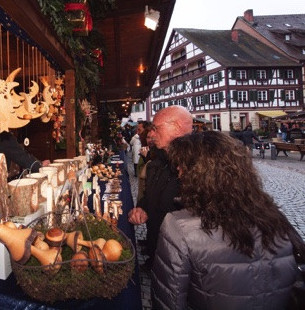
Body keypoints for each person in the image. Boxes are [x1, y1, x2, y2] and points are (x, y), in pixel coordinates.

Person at [152, 130, 301, 309]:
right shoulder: (275, 218)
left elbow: (170, 299)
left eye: (182, 165)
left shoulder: (180, 227)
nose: (178, 170)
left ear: (197, 174)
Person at [128, 105, 193, 269]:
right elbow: (148, 196)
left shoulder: (196, 166)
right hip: (157, 247)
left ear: (177, 128)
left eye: (156, 129)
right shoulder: (156, 163)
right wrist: (141, 208)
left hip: (181, 259)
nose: (150, 134)